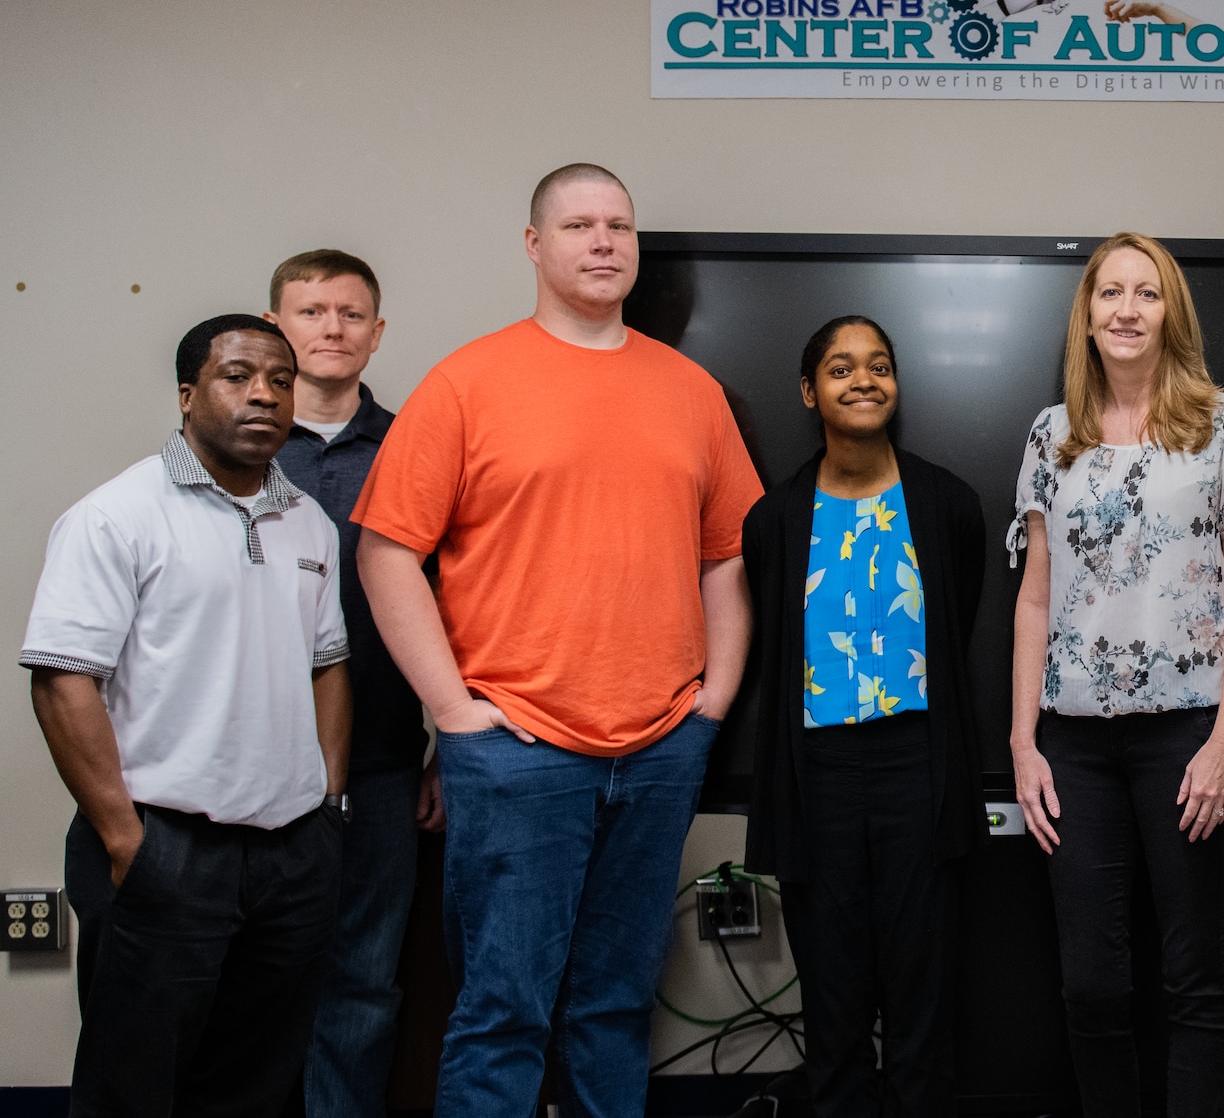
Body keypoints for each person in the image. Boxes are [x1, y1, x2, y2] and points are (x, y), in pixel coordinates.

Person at [352, 163, 763, 1118]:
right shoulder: (466, 381)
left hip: (661, 745)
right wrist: (455, 713)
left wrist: (712, 705)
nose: (604, 241)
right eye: (579, 224)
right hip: (516, 751)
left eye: (619, 224)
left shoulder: (691, 390)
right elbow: (384, 555)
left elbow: (726, 561)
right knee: (502, 1013)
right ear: (535, 245)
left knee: (615, 1008)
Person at [23, 314, 351, 1118]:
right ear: (187, 394)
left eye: (281, 380)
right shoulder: (116, 515)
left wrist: (328, 805)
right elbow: (64, 679)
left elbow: (329, 664)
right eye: (238, 376)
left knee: (259, 1080)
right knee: (131, 1084)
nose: (265, 395)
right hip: (162, 846)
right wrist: (123, 835)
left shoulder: (308, 521)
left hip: (290, 853)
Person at [1010, 231, 1224, 1118]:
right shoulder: (1053, 434)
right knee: (1091, 983)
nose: (1128, 310)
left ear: (1172, 311)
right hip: (1074, 745)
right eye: (1111, 293)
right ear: (1086, 314)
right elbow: (1032, 600)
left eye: (1148, 293)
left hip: (1186, 736)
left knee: (1193, 974)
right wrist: (1022, 742)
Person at [741, 315, 987, 1118]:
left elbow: (962, 617)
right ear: (811, 392)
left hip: (919, 768)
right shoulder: (773, 521)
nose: (864, 380)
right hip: (819, 780)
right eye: (841, 368)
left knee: (923, 991)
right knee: (835, 996)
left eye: (879, 365)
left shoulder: (947, 504)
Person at [265, 249, 432, 1118]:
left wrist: (444, 747)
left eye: (350, 313)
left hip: (381, 761)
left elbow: (459, 607)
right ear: (274, 328)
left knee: (364, 983)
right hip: (250, 766)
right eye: (310, 311)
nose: (331, 328)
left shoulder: (418, 447)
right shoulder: (232, 451)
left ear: (375, 333)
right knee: (250, 980)